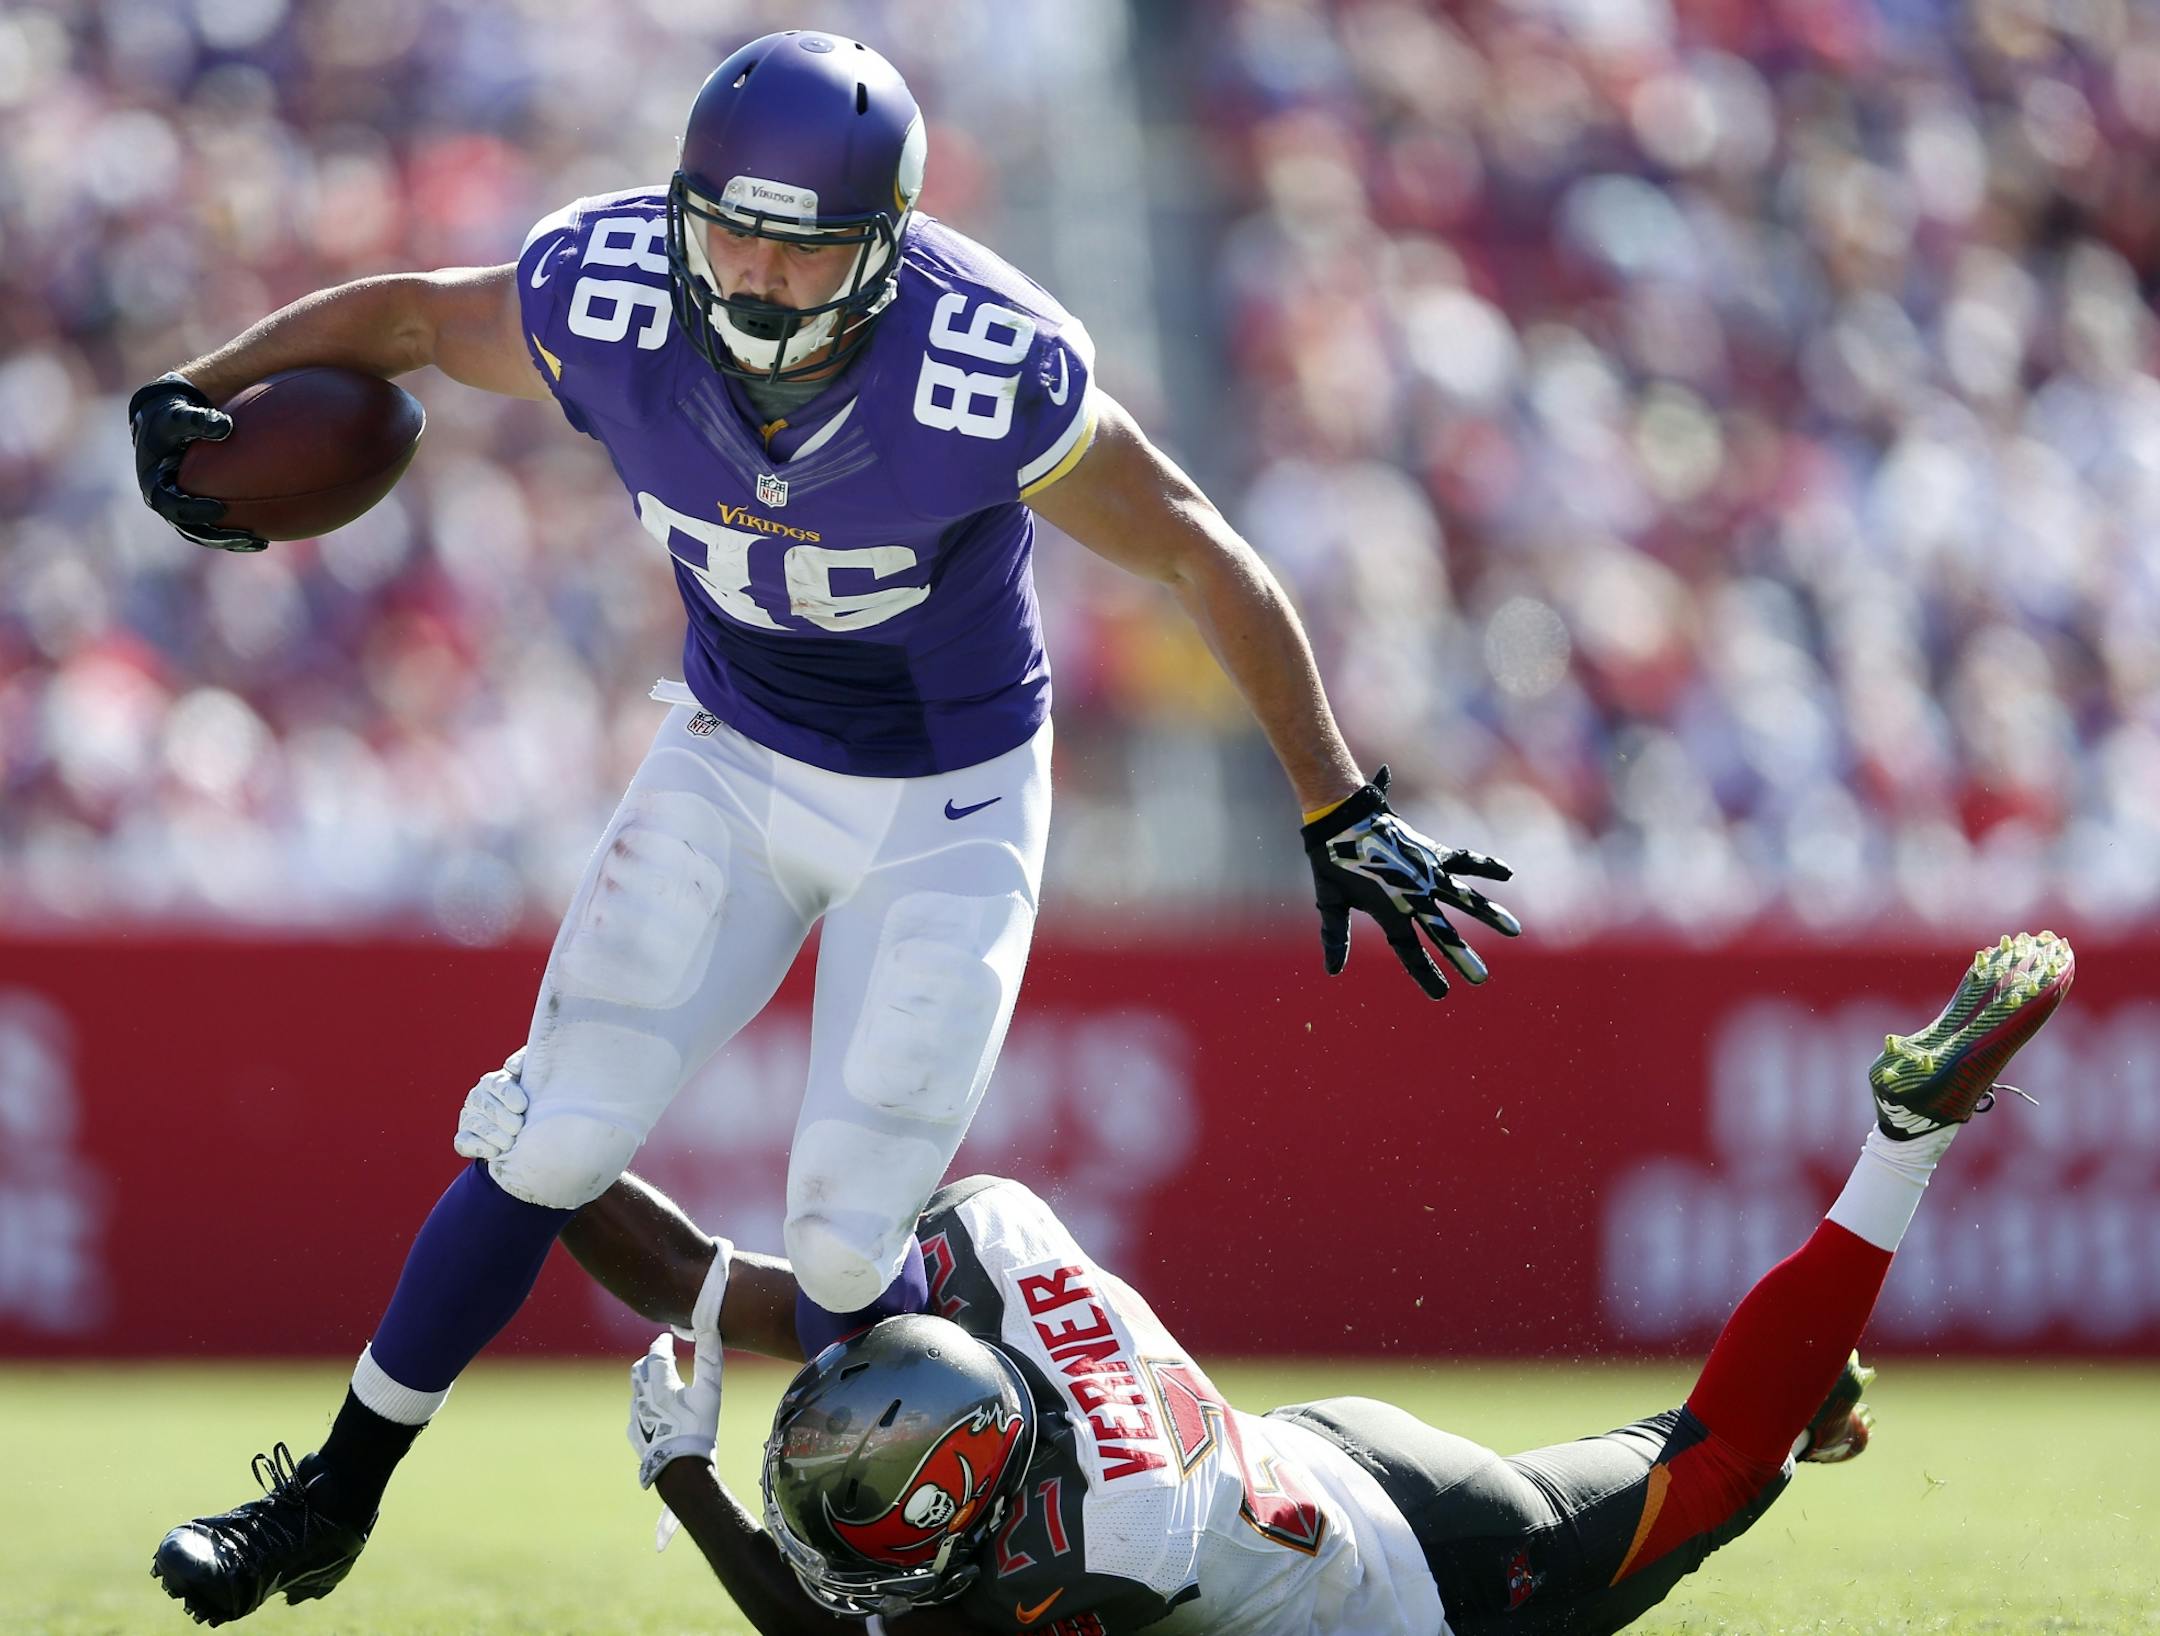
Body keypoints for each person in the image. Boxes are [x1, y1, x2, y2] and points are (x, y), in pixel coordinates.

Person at [138, 29, 1522, 1628]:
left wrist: (1335, 797)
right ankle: (329, 1498)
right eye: (726, 229)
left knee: (850, 1249)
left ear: (888, 245)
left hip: (949, 798)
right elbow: (399, 321)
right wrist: (210, 385)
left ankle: (955, 1563)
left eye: (800, 248)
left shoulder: (981, 356)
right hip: (732, 754)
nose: (751, 275)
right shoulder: (609, 290)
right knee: (553, 1134)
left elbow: (1202, 552)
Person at [567, 929, 2058, 1634]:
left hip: (1433, 1575)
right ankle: (1839, 1304)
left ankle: (1903, 1145)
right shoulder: (991, 1243)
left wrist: (687, 1481)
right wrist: (546, 1168)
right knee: (1720, 1440)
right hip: (1326, 1467)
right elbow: (768, 1295)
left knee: (1718, 1464)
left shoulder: (1105, 1547)